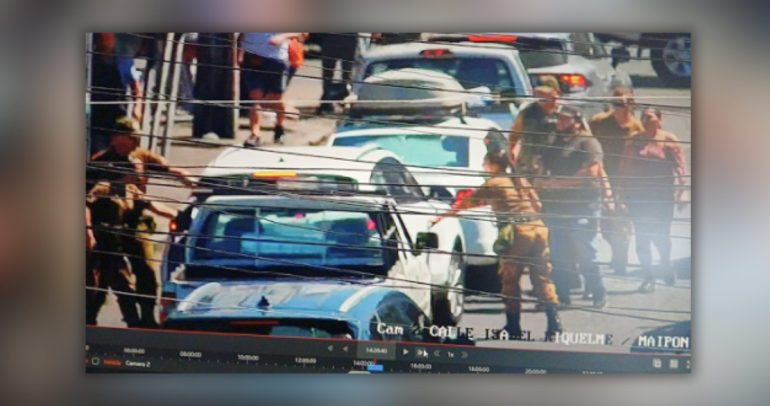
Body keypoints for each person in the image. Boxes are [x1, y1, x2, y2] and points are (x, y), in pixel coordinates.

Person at [430, 152, 563, 340]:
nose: (485, 166)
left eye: (486, 163)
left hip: (518, 234)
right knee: (542, 278)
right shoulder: (519, 180)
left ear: (493, 165)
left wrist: (441, 217)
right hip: (538, 229)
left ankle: (513, 327)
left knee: (510, 281)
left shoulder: (495, 184)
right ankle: (554, 325)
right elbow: (538, 205)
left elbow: (466, 203)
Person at [535, 106, 614, 308]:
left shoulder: (588, 143)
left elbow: (591, 172)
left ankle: (598, 292)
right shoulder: (551, 141)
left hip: (583, 206)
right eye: (559, 118)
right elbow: (542, 167)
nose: (560, 122)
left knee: (586, 250)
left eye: (566, 119)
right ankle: (562, 296)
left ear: (577, 122)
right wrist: (541, 181)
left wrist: (559, 184)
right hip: (556, 206)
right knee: (557, 253)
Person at [86, 181, 177, 327]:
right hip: (103, 245)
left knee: (131, 282)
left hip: (120, 242)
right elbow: (87, 210)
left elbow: (152, 205)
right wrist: (90, 236)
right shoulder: (101, 190)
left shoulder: (130, 190)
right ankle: (91, 321)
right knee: (102, 287)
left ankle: (139, 321)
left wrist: (178, 215)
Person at [619, 108, 688, 292]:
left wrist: (683, 192)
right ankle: (648, 275)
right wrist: (621, 193)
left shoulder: (668, 140)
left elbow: (680, 168)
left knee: (661, 235)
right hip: (639, 197)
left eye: (650, 117)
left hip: (662, 197)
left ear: (659, 119)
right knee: (642, 236)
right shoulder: (634, 140)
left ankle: (665, 263)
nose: (646, 121)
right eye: (643, 118)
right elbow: (624, 166)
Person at [590, 87, 645, 275]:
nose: (618, 107)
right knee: (605, 222)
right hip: (602, 176)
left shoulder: (637, 127)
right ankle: (615, 250)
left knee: (622, 220)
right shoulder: (599, 122)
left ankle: (620, 258)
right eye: (615, 103)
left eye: (622, 103)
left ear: (631, 104)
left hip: (627, 180)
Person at [87, 117, 195, 194]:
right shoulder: (100, 162)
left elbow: (171, 170)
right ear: (116, 138)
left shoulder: (141, 155)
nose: (137, 142)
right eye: (132, 138)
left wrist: (190, 180)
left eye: (138, 138)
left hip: (138, 209)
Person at [237, 33, 307, 146]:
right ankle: (255, 134)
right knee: (256, 97)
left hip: (276, 59)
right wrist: (239, 53)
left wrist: (283, 36)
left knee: (275, 99)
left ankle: (279, 126)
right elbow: (241, 35)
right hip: (252, 58)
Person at [89, 33, 144, 155]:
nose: (104, 41)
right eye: (101, 38)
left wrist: (138, 106)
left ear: (113, 40)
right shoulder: (89, 61)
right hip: (95, 114)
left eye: (108, 38)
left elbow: (136, 86)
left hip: (117, 114)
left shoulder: (124, 61)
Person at [507, 75, 561, 177]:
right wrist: (513, 154)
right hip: (528, 171)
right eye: (540, 96)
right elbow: (514, 136)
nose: (544, 100)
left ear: (557, 93)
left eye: (547, 95)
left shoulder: (568, 114)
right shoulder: (528, 113)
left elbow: (585, 138)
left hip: (555, 173)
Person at [317, 33, 359, 114]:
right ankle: (328, 101)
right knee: (344, 72)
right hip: (344, 38)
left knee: (332, 73)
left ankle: (329, 101)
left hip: (336, 38)